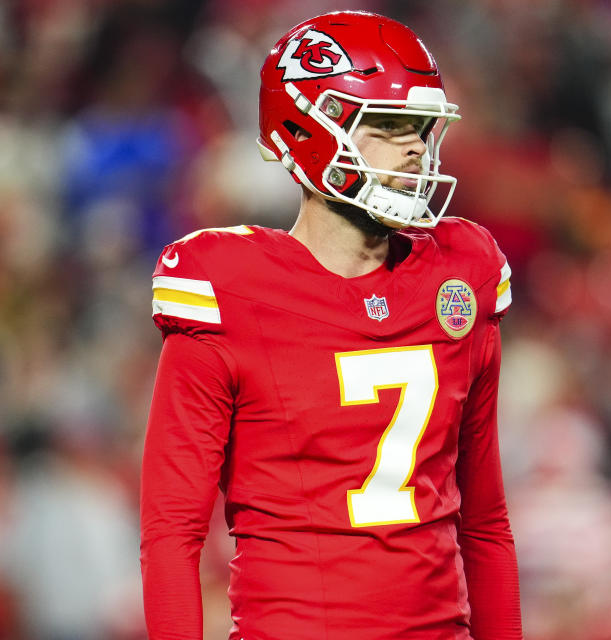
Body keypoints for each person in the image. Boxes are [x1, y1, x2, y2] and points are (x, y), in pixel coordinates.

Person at [139, 11, 522, 640]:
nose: (414, 148)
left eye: (421, 129)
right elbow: (171, 534)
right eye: (388, 126)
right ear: (309, 129)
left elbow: (484, 520)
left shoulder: (462, 273)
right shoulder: (228, 289)